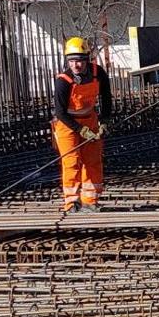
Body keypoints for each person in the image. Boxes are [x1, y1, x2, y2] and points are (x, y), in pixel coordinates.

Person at [53, 36, 113, 212]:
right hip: (66, 124)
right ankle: (71, 202)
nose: (75, 65)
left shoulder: (98, 73)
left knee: (93, 160)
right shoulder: (63, 81)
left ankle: (90, 200)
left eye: (79, 60)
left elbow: (106, 98)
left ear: (86, 59)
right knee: (71, 162)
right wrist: (81, 130)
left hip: (90, 119)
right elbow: (60, 113)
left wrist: (105, 120)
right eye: (71, 61)